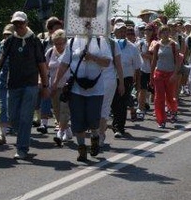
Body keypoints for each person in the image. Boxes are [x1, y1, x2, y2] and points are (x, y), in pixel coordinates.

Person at [0, 11, 49, 160]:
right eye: (15, 23)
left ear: (26, 23)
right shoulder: (10, 41)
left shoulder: (35, 41)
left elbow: (42, 64)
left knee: (25, 117)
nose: (18, 26)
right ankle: (23, 138)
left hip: (30, 85)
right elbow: (0, 60)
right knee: (13, 117)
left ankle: (22, 148)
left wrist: (45, 85)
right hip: (13, 84)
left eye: (21, 23)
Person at [52, 29, 111, 162]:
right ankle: (82, 149)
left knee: (93, 118)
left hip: (96, 89)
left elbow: (107, 62)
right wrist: (55, 83)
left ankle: (95, 137)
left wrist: (93, 57)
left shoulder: (100, 41)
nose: (86, 25)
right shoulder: (72, 41)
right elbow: (64, 64)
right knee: (78, 119)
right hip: (77, 89)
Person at [111, 22, 142, 137]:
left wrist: (138, 85)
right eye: (119, 31)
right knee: (114, 103)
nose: (122, 33)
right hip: (112, 78)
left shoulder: (132, 48)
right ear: (114, 32)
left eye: (124, 31)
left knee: (122, 103)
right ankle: (116, 124)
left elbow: (138, 67)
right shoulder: (110, 45)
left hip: (127, 78)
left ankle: (119, 127)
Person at [150, 25, 181, 128]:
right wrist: (151, 76)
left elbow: (177, 61)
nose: (165, 34)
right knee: (159, 98)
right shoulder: (157, 45)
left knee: (170, 97)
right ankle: (161, 120)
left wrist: (175, 74)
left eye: (167, 32)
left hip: (170, 74)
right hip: (159, 73)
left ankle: (173, 110)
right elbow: (154, 61)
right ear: (160, 34)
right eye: (163, 32)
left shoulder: (174, 45)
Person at [46, 29, 72, 146]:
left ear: (65, 42)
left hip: (67, 87)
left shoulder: (69, 52)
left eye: (61, 43)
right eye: (56, 43)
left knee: (64, 110)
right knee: (57, 111)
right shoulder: (50, 52)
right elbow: (45, 68)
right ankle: (67, 130)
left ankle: (60, 134)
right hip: (54, 86)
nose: (59, 45)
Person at [0, 24, 15, 146]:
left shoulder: (19, 46)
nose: (6, 37)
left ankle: (14, 127)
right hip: (2, 79)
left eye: (9, 35)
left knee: (12, 108)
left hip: (16, 80)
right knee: (2, 106)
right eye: (5, 35)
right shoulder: (0, 46)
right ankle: (2, 134)